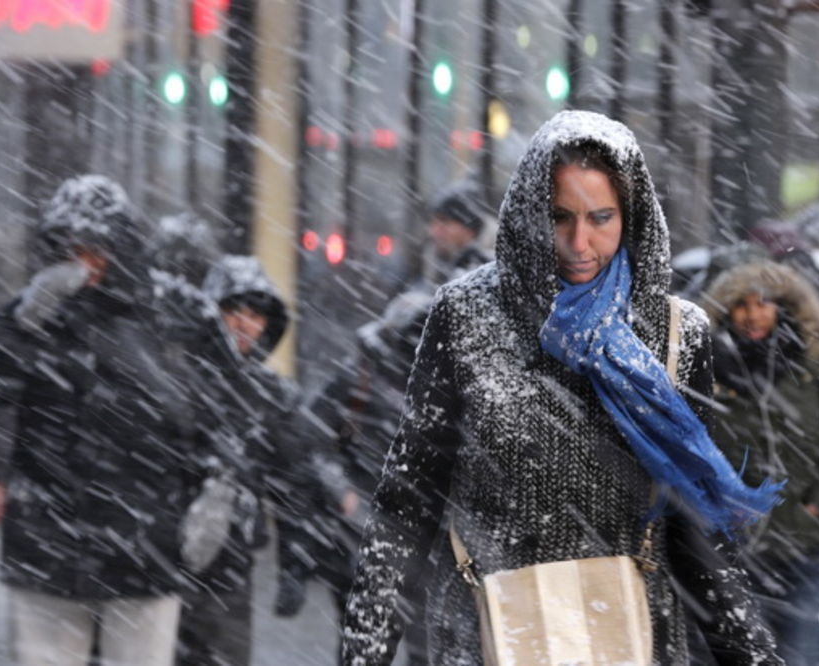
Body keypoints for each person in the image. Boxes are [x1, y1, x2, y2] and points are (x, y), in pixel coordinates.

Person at [341, 110, 784, 665]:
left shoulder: (676, 334)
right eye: (560, 216)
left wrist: (753, 654)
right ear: (531, 214)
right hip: (488, 637)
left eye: (601, 217)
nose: (580, 242)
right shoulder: (465, 317)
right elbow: (408, 507)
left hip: (628, 637)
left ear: (632, 216)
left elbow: (692, 532)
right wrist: (365, 653)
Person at [0, 175, 206, 666]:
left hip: (142, 532)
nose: (84, 262)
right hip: (50, 530)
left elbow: (204, 406)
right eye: (71, 248)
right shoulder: (36, 314)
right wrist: (24, 314)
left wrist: (210, 486)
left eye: (96, 249)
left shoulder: (164, 315)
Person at [703, 260, 819, 665]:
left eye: (764, 302)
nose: (752, 314)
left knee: (806, 657)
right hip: (731, 552)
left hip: (806, 550)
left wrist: (818, 505)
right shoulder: (708, 368)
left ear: (784, 307)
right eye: (741, 304)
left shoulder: (814, 365)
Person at [175, 254, 315, 666]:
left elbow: (294, 483)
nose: (244, 323)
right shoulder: (177, 377)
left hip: (231, 560)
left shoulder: (274, 396)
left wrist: (295, 563)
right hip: (160, 550)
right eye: (234, 310)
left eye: (256, 315)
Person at [300, 289, 433, 662]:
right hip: (364, 535)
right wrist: (343, 493)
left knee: (426, 649)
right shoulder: (359, 376)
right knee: (366, 647)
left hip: (424, 540)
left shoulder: (441, 383)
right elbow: (313, 440)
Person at [422, 182, 491, 287]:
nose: (434, 232)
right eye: (433, 223)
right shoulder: (434, 270)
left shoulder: (487, 276)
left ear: (469, 229)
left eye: (444, 221)